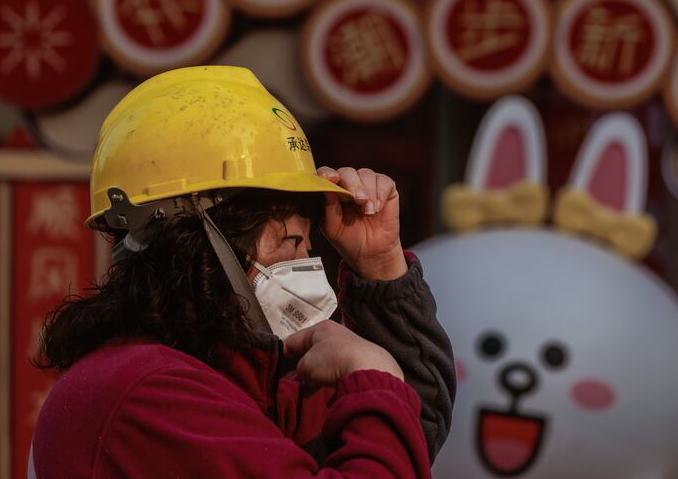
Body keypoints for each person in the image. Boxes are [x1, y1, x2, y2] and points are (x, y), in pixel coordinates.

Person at [31, 66, 455, 478]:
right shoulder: (147, 394)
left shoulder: (242, 385)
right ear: (201, 243)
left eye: (310, 245)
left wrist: (379, 266)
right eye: (290, 243)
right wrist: (371, 374)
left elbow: (405, 431)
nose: (308, 265)